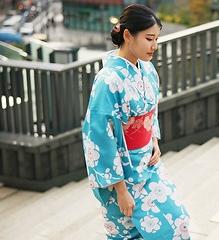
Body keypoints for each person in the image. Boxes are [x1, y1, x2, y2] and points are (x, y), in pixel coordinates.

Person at [82, 4, 190, 239]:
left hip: (148, 165)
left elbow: (151, 111)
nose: (154, 46)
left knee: (177, 222)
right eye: (149, 38)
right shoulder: (107, 80)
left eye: (157, 38)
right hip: (122, 173)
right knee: (127, 235)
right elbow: (99, 136)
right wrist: (120, 189)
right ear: (128, 35)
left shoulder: (148, 70)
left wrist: (154, 139)